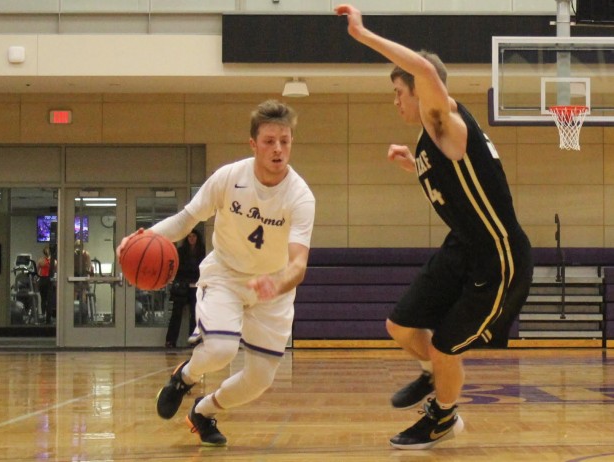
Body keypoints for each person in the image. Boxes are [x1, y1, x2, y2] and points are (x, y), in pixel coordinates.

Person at [335, 4, 534, 450]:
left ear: (423, 91)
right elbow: (460, 187)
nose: (396, 101)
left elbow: (423, 67)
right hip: (462, 248)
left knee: (446, 348)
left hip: (498, 257)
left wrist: (362, 34)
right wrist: (414, 165)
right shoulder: (431, 143)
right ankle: (436, 378)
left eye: (398, 92)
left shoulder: (446, 119)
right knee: (401, 326)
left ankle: (444, 417)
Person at [117, 99, 315, 447]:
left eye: (285, 140)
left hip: (273, 287)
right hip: (225, 274)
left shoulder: (300, 196)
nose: (278, 148)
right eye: (269, 141)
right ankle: (185, 377)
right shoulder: (228, 178)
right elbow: (185, 220)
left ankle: (203, 411)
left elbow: (298, 264)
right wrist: (143, 238)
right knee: (222, 349)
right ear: (253, 144)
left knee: (259, 380)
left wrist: (277, 283)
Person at [165, 229, 205, 348]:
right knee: (176, 314)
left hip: (195, 286)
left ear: (197, 238)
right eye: (189, 236)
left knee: (195, 313)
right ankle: (170, 341)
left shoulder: (202, 251)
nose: (192, 239)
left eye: (194, 236)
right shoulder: (181, 252)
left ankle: (194, 339)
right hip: (182, 286)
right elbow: (177, 269)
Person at [36, 245, 56, 324]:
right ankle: (45, 315)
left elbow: (37, 271)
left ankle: (47, 316)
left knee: (47, 299)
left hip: (46, 280)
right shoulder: (44, 261)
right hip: (44, 280)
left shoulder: (51, 261)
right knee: (45, 299)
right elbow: (37, 271)